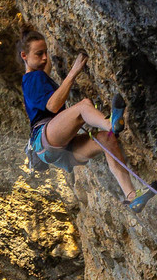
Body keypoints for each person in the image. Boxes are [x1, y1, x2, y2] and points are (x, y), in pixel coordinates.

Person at [20, 31, 138, 199]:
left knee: (107, 139)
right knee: (83, 106)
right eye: (39, 54)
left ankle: (131, 195)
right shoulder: (32, 78)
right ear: (24, 55)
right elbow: (53, 106)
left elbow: (47, 66)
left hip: (61, 152)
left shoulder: (40, 76)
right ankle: (110, 124)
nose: (45, 58)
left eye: (46, 52)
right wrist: (74, 71)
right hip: (45, 140)